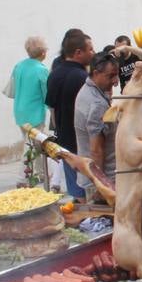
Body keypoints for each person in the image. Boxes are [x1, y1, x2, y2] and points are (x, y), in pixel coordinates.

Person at [46, 29, 94, 198]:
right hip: (84, 141)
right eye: (90, 50)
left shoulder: (54, 75)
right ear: (78, 53)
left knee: (76, 189)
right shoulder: (83, 78)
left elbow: (52, 108)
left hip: (65, 138)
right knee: (90, 186)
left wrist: (59, 131)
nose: (92, 53)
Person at [73, 52, 120, 199]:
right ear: (96, 73)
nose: (115, 81)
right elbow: (96, 150)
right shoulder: (97, 103)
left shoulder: (87, 90)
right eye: (110, 76)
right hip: (105, 180)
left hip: (92, 176)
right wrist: (100, 185)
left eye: (116, 75)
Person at [11, 37, 49, 132]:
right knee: (34, 144)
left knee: (27, 141)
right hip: (35, 114)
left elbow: (13, 88)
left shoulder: (18, 66)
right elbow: (47, 94)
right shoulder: (42, 70)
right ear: (43, 53)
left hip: (19, 112)